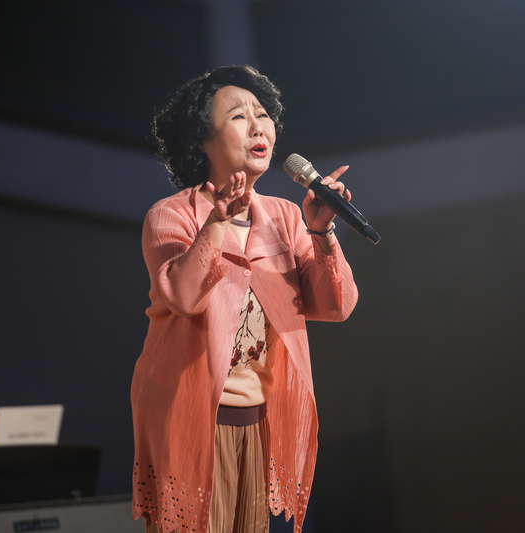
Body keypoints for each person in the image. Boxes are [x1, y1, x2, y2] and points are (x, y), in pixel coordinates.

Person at [130, 65, 359, 533]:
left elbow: (336, 306)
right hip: (190, 418)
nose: (258, 126)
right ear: (201, 139)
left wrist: (322, 232)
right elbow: (185, 296)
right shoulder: (171, 216)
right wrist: (216, 225)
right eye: (238, 116)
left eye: (263, 114)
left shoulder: (284, 217)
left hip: (258, 421)